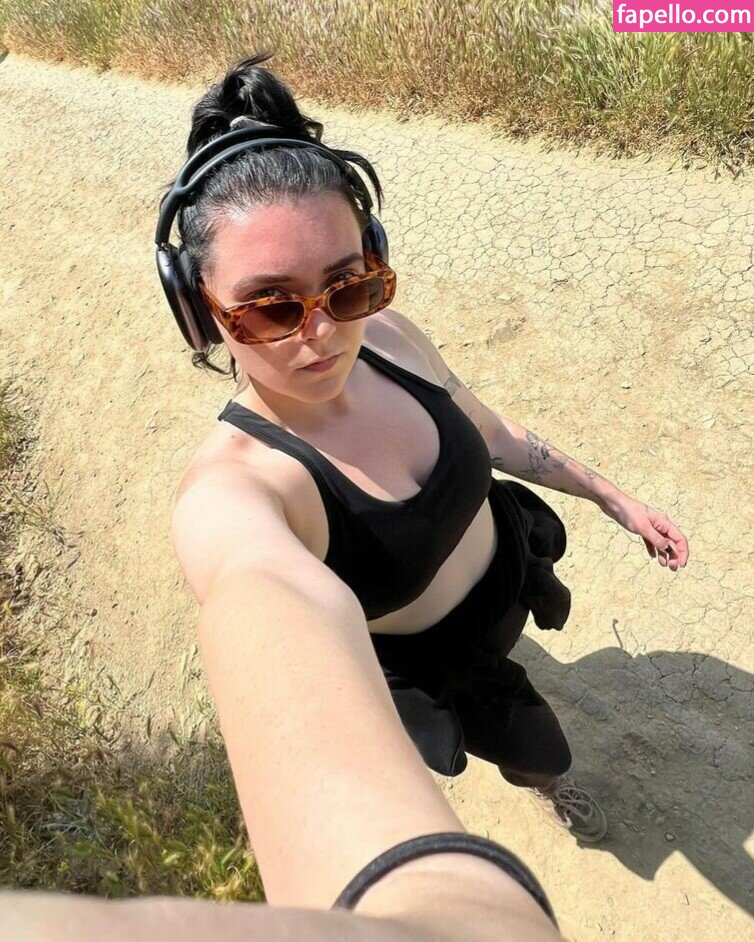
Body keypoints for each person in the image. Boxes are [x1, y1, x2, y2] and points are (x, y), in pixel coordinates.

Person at [163, 49, 690, 922]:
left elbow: (492, 434)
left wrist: (614, 498)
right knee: (539, 751)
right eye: (271, 306)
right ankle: (547, 790)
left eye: (347, 284)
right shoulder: (237, 492)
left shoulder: (390, 338)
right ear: (199, 310)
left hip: (505, 578)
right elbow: (260, 619)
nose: (322, 333)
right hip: (438, 663)